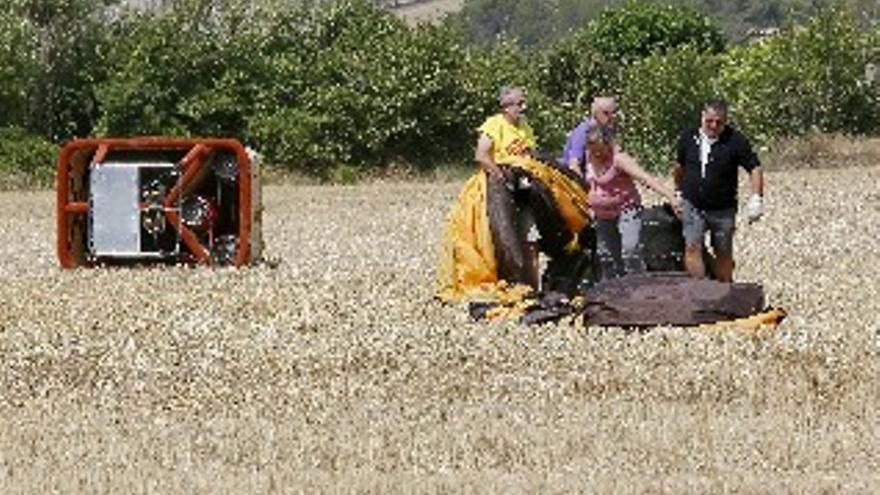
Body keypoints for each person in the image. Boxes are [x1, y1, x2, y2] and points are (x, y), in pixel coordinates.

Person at [674, 99, 764, 282]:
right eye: (709, 121)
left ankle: (725, 291)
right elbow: (679, 166)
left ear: (725, 121)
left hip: (723, 209)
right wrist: (677, 191)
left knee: (723, 252)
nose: (713, 126)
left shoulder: (736, 140)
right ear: (702, 118)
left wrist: (757, 198)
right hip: (693, 205)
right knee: (692, 247)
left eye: (719, 122)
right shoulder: (688, 138)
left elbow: (755, 168)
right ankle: (700, 291)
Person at [585, 125, 682, 279]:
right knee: (606, 256)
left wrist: (669, 195)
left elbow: (645, 178)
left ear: (608, 144)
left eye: (600, 149)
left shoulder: (619, 159)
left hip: (626, 209)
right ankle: (611, 290)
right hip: (602, 215)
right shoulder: (588, 158)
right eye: (593, 150)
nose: (597, 153)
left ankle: (638, 286)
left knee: (630, 250)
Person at [474, 86, 541, 288]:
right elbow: (482, 155)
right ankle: (509, 284)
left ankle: (532, 287)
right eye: (519, 103)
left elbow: (531, 154)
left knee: (531, 240)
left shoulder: (525, 127)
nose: (524, 107)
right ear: (506, 107)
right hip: (499, 191)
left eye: (523, 102)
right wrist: (501, 176)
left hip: (525, 191)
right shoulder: (494, 125)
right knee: (504, 238)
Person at [561, 96, 619, 179]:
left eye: (614, 112)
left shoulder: (607, 130)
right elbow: (574, 166)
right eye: (606, 113)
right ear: (595, 113)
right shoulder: (583, 131)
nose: (612, 117)